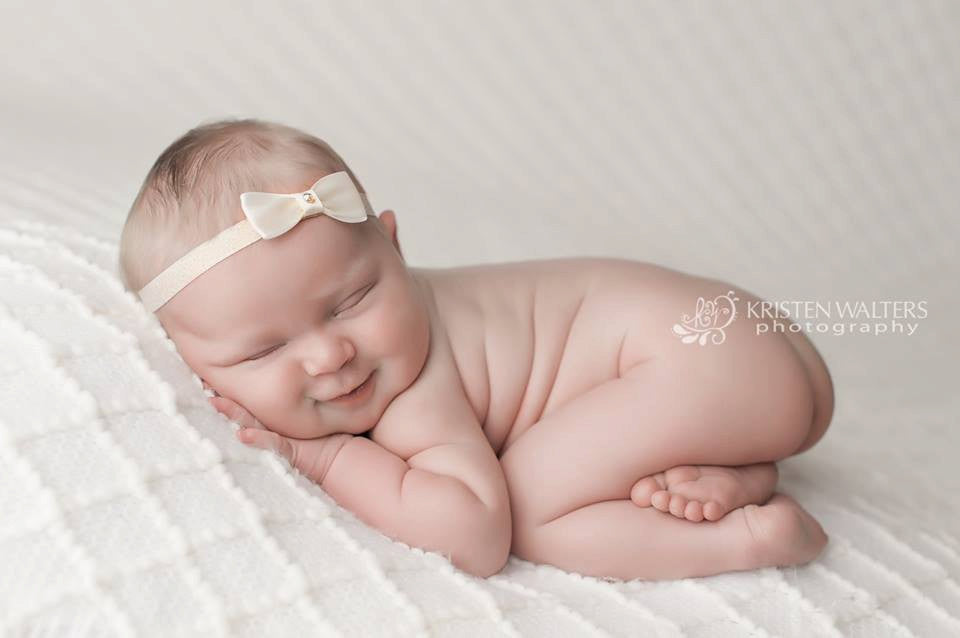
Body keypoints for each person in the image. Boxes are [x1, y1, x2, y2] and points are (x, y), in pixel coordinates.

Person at [119, 117, 834, 580]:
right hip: (738, 343)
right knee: (575, 447)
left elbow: (473, 534)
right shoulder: (382, 334)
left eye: (353, 301)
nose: (331, 356)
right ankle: (733, 468)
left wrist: (325, 454)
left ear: (395, 247)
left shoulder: (413, 388)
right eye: (263, 350)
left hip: (705, 363)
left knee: (529, 506)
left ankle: (751, 540)